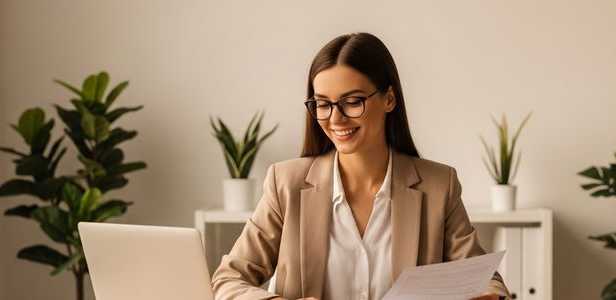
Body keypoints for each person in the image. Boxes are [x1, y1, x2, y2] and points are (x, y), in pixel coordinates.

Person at [211, 32, 510, 300]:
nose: (335, 119)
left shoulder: (438, 185)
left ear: (389, 98)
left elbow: (487, 282)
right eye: (323, 104)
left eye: (352, 102)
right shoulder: (285, 183)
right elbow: (228, 280)